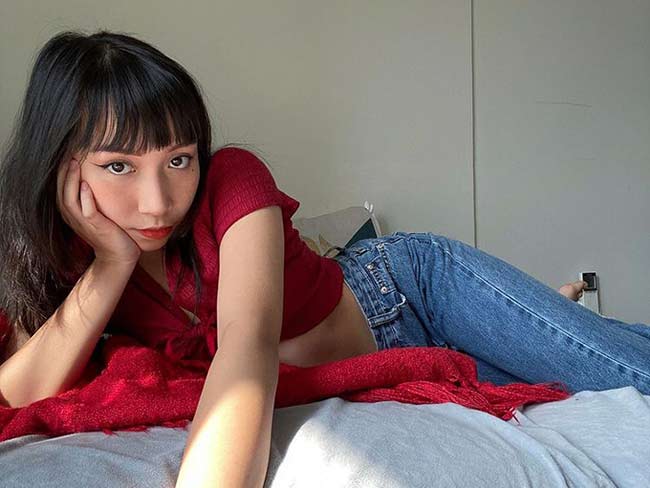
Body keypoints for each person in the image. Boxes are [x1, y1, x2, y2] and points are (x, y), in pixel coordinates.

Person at [0, 30, 648, 487]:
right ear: (63, 166)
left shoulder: (233, 178)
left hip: (410, 292)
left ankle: (548, 315)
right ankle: (553, 313)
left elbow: (247, 349)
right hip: (376, 359)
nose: (157, 201)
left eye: (178, 159)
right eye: (118, 166)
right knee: (590, 357)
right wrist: (111, 263)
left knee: (626, 370)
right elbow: (22, 396)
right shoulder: (66, 250)